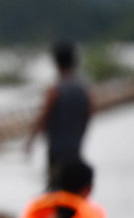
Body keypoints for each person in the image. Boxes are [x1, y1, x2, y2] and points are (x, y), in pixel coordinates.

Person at [25, 41, 92, 188]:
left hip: (56, 149)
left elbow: (44, 117)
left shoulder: (55, 89)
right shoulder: (82, 89)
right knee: (72, 186)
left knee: (54, 186)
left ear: (56, 62)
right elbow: (87, 116)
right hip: (75, 148)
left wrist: (31, 141)